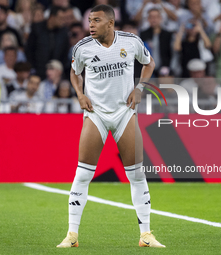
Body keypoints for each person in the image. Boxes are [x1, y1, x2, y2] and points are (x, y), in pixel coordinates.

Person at [57, 4, 165, 248]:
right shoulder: (82, 47)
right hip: (96, 114)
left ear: (110, 23)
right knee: (83, 173)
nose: (91, 25)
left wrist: (139, 88)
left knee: (137, 174)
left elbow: (149, 64)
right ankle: (72, 235)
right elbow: (75, 72)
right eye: (89, 20)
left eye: (96, 20)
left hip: (124, 113)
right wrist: (79, 93)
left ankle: (146, 235)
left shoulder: (131, 42)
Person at [140, 8, 173, 74]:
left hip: (165, 68)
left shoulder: (168, 34)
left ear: (161, 18)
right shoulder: (143, 34)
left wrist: (167, 66)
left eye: (156, 17)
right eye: (151, 17)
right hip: (148, 68)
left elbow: (171, 53)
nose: (154, 19)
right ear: (148, 19)